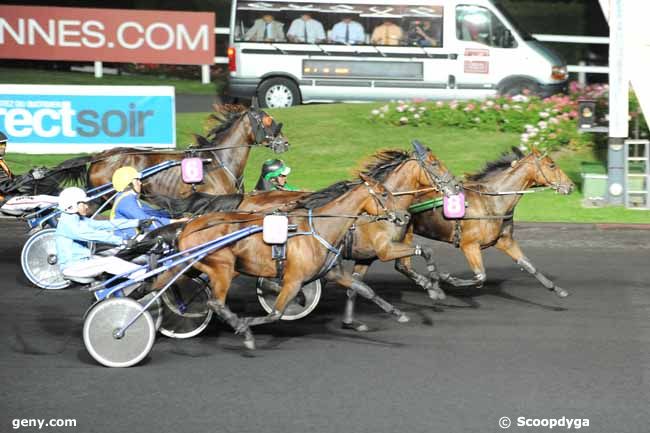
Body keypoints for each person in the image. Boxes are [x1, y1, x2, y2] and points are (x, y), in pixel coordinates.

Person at [55, 187, 144, 283]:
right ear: (71, 206)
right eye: (83, 204)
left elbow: (105, 225)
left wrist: (136, 222)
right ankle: (147, 276)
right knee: (112, 262)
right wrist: (121, 241)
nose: (87, 206)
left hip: (83, 262)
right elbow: (92, 235)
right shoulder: (68, 224)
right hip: (73, 267)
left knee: (117, 258)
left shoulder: (76, 218)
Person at [110, 166, 186, 238]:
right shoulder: (126, 201)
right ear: (129, 184)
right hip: (126, 241)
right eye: (137, 180)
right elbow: (147, 222)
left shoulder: (129, 198)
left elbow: (153, 213)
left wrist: (177, 215)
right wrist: (175, 221)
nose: (140, 183)